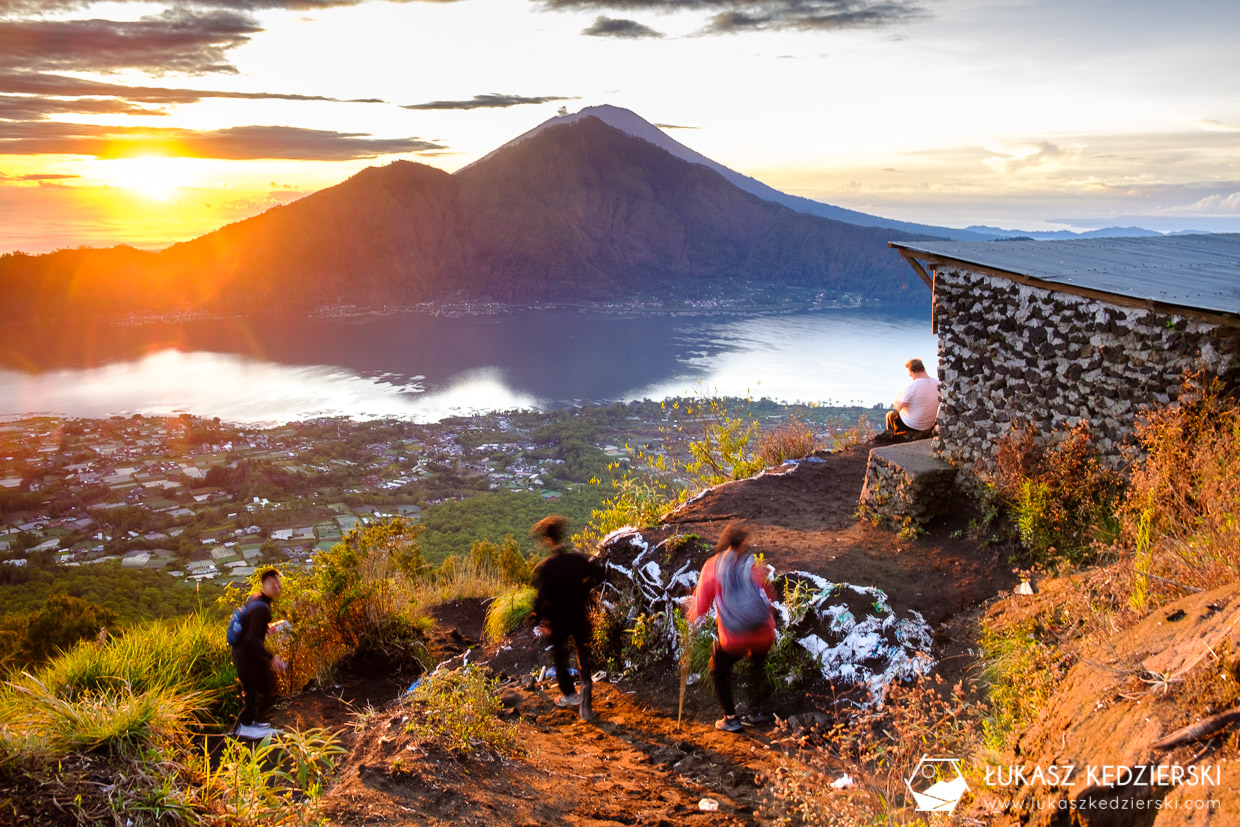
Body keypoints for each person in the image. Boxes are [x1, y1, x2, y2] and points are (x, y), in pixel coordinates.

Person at [688, 522, 776, 733]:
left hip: (734, 637)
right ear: (742, 545)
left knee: (718, 669)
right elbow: (768, 595)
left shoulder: (713, 567)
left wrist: (690, 615)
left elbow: (699, 608)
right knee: (757, 663)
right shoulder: (750, 564)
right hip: (764, 632)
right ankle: (758, 711)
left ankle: (731, 718)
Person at [529, 515, 605, 721]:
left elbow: (541, 599)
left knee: (560, 658)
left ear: (547, 540)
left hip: (558, 621)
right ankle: (586, 699)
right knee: (583, 655)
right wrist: (584, 590)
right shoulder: (576, 560)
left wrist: (539, 620)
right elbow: (599, 574)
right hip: (578, 616)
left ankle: (570, 695)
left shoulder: (547, 568)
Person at [231, 567, 287, 740]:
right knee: (260, 687)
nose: (276, 586)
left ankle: (249, 723)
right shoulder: (262, 608)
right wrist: (270, 658)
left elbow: (252, 628)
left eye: (277, 582)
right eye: (271, 583)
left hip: (242, 652)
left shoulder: (256, 599)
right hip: (248, 654)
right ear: (263, 585)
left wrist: (268, 628)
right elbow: (253, 638)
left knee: (251, 688)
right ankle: (246, 727)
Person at [882, 358, 940, 442]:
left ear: (913, 373)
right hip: (929, 424)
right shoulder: (938, 383)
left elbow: (898, 407)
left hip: (911, 425)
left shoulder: (912, 386)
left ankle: (893, 441)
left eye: (910, 374)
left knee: (890, 415)